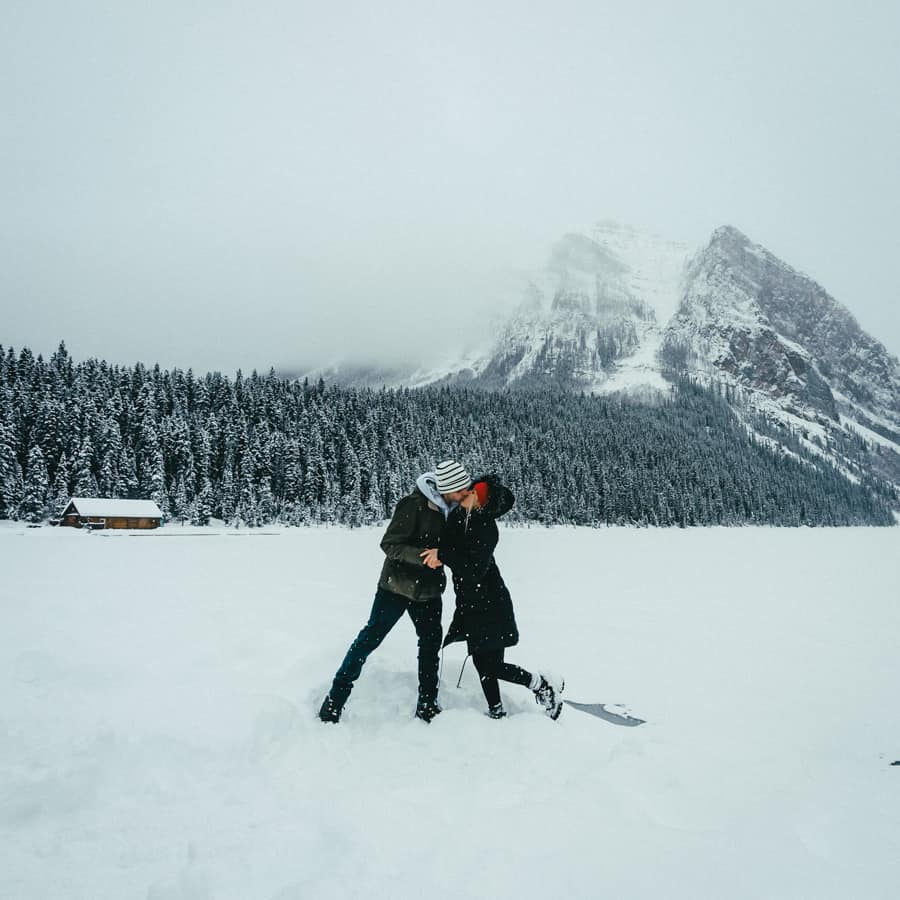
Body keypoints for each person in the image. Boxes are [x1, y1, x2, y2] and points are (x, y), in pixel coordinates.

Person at [318, 460, 473, 723]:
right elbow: (389, 544)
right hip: (395, 588)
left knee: (430, 648)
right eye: (460, 491)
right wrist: (424, 557)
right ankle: (334, 700)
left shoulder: (454, 511)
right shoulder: (413, 505)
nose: (464, 495)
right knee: (368, 640)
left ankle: (427, 705)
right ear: (447, 488)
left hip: (429, 592)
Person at [437, 475, 564, 720]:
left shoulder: (487, 529)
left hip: (491, 604)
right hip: (471, 602)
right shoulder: (458, 516)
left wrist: (443, 555)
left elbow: (473, 570)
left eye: (474, 494)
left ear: (482, 504)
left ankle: (541, 685)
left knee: (491, 664)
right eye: (471, 489)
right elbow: (448, 542)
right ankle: (496, 709)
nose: (468, 494)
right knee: (480, 660)